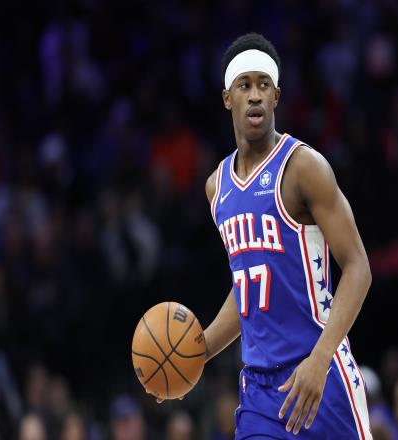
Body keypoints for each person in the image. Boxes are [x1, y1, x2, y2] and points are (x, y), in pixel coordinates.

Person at [161, 32, 373, 439]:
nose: (255, 95)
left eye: (263, 85)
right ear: (228, 99)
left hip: (321, 375)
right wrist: (193, 355)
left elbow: (358, 266)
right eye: (244, 86)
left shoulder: (304, 167)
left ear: (276, 96)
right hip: (259, 391)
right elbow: (248, 285)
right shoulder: (216, 188)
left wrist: (320, 359)